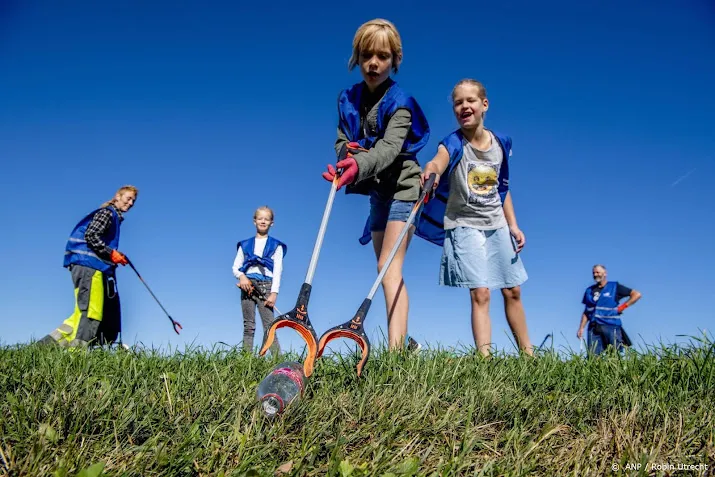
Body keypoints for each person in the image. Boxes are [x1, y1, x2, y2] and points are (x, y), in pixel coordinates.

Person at [321, 18, 430, 351]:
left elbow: (388, 149)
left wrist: (358, 164)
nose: (373, 63)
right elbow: (342, 138)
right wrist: (346, 154)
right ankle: (406, 342)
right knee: (381, 268)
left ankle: (396, 353)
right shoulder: (348, 98)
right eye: (367, 55)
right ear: (357, 56)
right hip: (378, 191)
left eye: (382, 56)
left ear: (394, 59)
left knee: (387, 265)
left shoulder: (402, 102)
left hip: (404, 185)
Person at [416, 79, 533, 358]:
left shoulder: (501, 144)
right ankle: (485, 360)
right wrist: (431, 170)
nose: (464, 106)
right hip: (464, 225)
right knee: (481, 292)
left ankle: (530, 357)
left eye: (470, 100)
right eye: (458, 102)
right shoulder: (454, 143)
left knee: (513, 290)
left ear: (484, 104)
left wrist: (513, 225)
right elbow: (438, 160)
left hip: (496, 224)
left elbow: (501, 189)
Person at [39, 185, 137, 348]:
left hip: (83, 266)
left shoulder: (112, 216)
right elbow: (91, 235)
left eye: (133, 200)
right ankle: (77, 356)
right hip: (90, 267)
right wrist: (111, 253)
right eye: (128, 198)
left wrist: (113, 258)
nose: (131, 202)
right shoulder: (107, 213)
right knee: (91, 313)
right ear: (118, 197)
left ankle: (43, 349)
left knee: (79, 315)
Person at [232, 206, 286, 356]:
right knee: (248, 325)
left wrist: (274, 293)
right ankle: (245, 360)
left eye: (266, 219)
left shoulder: (277, 246)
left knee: (269, 326)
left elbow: (277, 271)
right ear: (254, 221)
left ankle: (277, 360)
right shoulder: (245, 245)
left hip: (266, 286)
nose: (263, 221)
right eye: (260, 218)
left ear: (271, 223)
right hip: (247, 285)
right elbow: (236, 267)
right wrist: (242, 277)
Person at [577, 264, 641, 354]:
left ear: (605, 273)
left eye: (598, 272)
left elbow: (636, 294)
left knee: (614, 355)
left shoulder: (614, 287)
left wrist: (622, 307)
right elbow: (586, 311)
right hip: (594, 327)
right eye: (594, 273)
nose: (595, 275)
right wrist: (581, 328)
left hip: (611, 326)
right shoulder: (589, 291)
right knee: (593, 356)